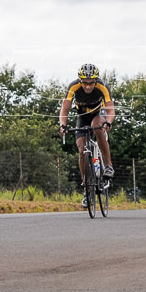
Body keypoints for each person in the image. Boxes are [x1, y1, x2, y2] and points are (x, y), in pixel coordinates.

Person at [59, 63, 116, 207]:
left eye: (91, 83)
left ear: (96, 81)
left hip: (98, 114)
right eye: (85, 83)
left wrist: (108, 122)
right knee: (81, 149)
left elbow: (110, 110)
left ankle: (108, 165)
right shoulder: (73, 87)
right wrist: (63, 125)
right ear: (80, 80)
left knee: (96, 127)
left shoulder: (103, 86)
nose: (88, 86)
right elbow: (64, 110)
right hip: (82, 117)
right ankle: (87, 187)